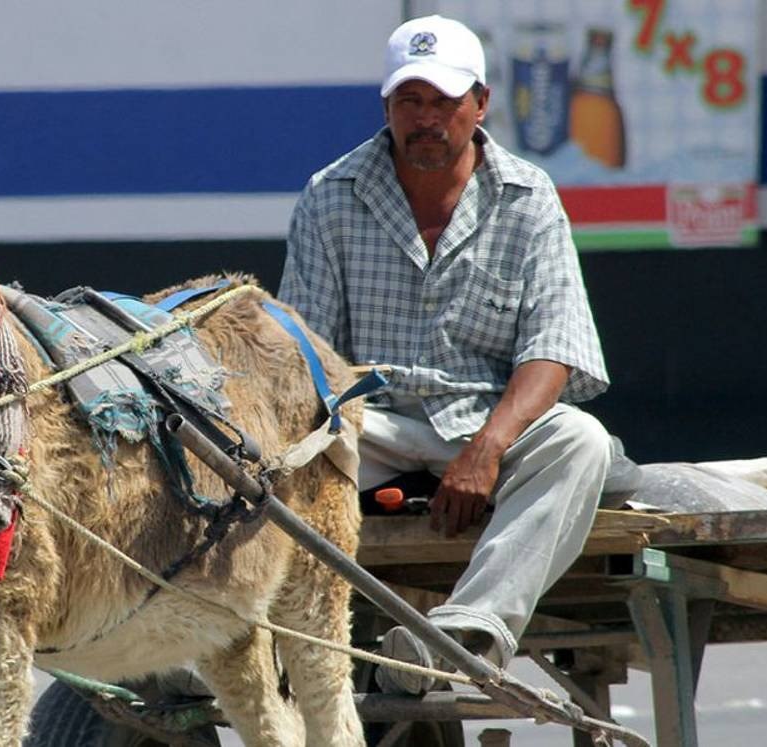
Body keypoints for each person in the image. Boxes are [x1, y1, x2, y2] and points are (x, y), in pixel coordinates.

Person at [277, 14, 613, 694]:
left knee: (582, 442)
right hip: (372, 426)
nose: (426, 118)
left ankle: (463, 634)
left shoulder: (528, 197)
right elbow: (304, 357)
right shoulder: (330, 195)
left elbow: (555, 349)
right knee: (265, 456)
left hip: (487, 423)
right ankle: (227, 638)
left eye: (444, 101)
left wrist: (488, 447)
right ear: (387, 108)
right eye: (411, 101)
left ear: (481, 104)